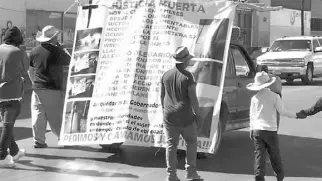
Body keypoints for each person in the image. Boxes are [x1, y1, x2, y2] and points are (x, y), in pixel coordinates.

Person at [247, 71, 300, 181]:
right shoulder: (274, 96)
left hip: (257, 130)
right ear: (269, 83)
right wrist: (295, 115)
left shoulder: (254, 98)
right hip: (270, 130)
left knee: (259, 155)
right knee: (275, 155)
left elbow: (252, 115)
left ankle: (259, 176)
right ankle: (279, 177)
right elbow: (282, 111)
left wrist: (251, 129)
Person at [161, 46, 203, 181]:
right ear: (185, 60)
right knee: (191, 142)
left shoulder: (166, 75)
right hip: (185, 116)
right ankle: (191, 172)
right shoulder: (188, 76)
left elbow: (162, 97)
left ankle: (171, 175)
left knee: (171, 145)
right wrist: (199, 116)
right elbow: (193, 99)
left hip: (169, 116)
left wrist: (165, 112)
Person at [29, 25, 71, 148]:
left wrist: (34, 82)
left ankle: (39, 141)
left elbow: (31, 70)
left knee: (38, 114)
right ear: (54, 38)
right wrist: (62, 47)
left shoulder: (34, 51)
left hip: (37, 87)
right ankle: (62, 138)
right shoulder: (57, 51)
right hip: (52, 87)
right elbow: (70, 60)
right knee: (55, 115)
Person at [0, 26, 29, 167]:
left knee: (7, 125)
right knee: (7, 125)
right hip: (12, 94)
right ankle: (1, 156)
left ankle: (15, 152)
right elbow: (25, 69)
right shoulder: (19, 52)